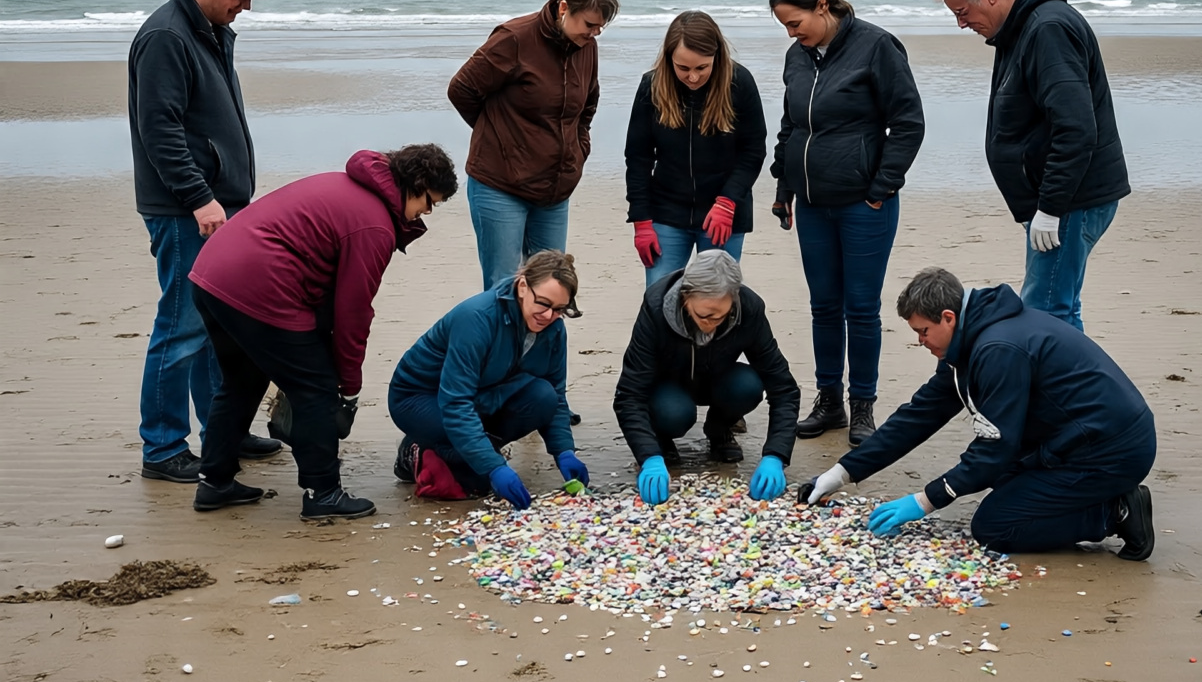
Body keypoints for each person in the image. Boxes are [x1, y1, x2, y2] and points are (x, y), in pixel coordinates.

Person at [800, 266, 1157, 559]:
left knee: (994, 526)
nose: (920, 342)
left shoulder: (997, 349)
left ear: (948, 317)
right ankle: (1095, 497)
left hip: (1113, 449)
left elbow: (994, 449)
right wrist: (841, 473)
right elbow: (919, 415)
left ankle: (1117, 512)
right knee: (1001, 481)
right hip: (1077, 438)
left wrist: (925, 500)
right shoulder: (970, 342)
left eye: (923, 332)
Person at [187, 145, 457, 520]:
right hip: (259, 284)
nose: (426, 213)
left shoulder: (346, 183)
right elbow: (353, 313)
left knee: (241, 380)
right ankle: (322, 492)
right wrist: (348, 385)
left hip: (211, 274)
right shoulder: (375, 225)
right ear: (417, 184)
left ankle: (214, 482)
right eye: (429, 203)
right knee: (314, 388)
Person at [128, 0, 281, 482]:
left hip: (220, 203)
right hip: (185, 211)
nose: (248, 6)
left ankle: (224, 430)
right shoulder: (167, 36)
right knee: (182, 325)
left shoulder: (211, 31)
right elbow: (159, 129)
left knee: (222, 326)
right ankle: (163, 448)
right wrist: (199, 198)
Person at [769, 0, 925, 448]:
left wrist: (880, 187)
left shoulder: (877, 47)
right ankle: (829, 401)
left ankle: (863, 407)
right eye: (784, 27)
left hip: (864, 205)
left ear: (822, 4)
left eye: (794, 22)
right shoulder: (798, 58)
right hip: (813, 206)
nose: (791, 34)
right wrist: (784, 186)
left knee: (860, 309)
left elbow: (909, 122)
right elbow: (792, 124)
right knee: (823, 307)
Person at [934, 0, 1130, 330]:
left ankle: (1066, 389)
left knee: (1046, 312)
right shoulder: (1018, 29)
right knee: (1057, 306)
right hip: (1060, 198)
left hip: (1072, 199)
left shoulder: (1046, 29)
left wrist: (1051, 208)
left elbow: (1076, 128)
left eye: (962, 12)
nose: (961, 24)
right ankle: (1071, 388)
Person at [447, 0, 619, 290]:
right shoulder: (514, 38)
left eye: (601, 27)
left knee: (552, 288)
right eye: (590, 24)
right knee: (504, 289)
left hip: (555, 191)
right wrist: (504, 140)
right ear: (564, 7)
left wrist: (579, 149)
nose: (595, 33)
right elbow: (461, 89)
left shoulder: (587, 48)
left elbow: (587, 106)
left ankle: (543, 345)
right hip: (499, 186)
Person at [388, 250, 588, 509]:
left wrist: (564, 451)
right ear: (523, 286)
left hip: (486, 392)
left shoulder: (553, 330)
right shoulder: (477, 318)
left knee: (543, 396)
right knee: (479, 478)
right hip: (422, 398)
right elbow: (456, 403)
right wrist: (494, 466)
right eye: (543, 303)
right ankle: (416, 449)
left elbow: (557, 394)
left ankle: (472, 450)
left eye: (559, 309)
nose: (549, 316)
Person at [613, 249, 801, 505]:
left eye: (721, 316)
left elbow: (784, 387)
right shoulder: (656, 308)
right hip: (667, 389)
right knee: (675, 413)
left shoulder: (749, 309)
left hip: (718, 378)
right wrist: (649, 456)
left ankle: (719, 429)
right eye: (704, 315)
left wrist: (776, 455)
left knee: (748, 385)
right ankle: (661, 440)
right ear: (685, 297)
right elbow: (629, 394)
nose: (711, 323)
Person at [625, 10, 767, 286]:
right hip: (666, 212)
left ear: (717, 57)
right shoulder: (651, 86)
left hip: (723, 213)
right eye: (683, 68)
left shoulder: (739, 83)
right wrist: (641, 220)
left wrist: (728, 202)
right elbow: (638, 158)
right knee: (659, 299)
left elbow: (753, 151)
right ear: (669, 59)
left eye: (701, 67)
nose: (692, 77)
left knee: (716, 300)